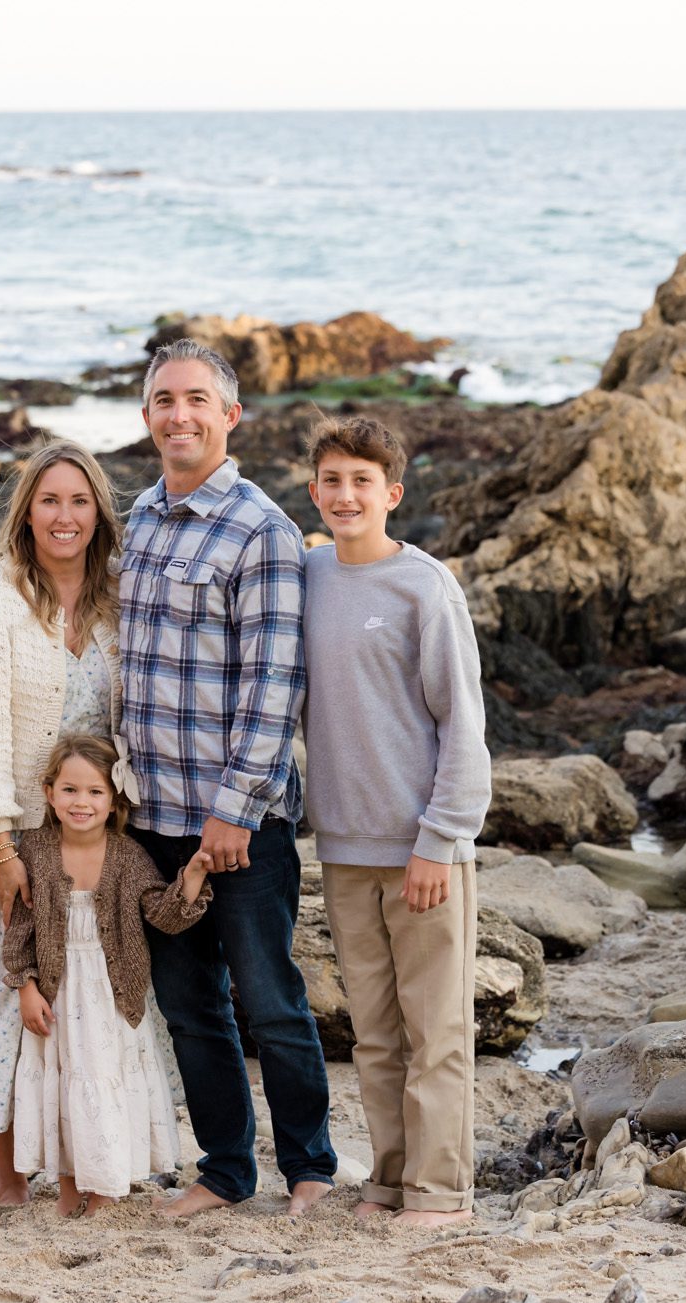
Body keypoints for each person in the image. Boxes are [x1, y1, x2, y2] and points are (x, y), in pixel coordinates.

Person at [119, 337, 337, 1218]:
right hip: (153, 818)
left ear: (230, 414)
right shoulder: (134, 518)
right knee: (190, 1008)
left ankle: (312, 1168)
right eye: (165, 399)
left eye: (197, 399)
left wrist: (234, 812)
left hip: (241, 823)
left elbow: (276, 684)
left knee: (270, 1000)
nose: (181, 414)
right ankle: (225, 1171)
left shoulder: (263, 530)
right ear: (147, 417)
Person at [0, 440, 129, 1206]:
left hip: (90, 840)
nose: (65, 516)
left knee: (83, 1004)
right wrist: (1, 843)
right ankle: (11, 1179)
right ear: (26, 512)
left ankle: (79, 1167)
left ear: (99, 513)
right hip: (1, 841)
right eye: (50, 501)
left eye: (79, 501)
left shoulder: (117, 601)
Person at [302, 415, 492, 1229]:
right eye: (333, 482)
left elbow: (463, 722)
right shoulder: (307, 579)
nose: (346, 496)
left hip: (423, 850)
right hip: (343, 851)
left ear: (393, 494)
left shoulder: (424, 586)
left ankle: (441, 1193)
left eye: (362, 483)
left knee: (436, 1030)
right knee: (374, 1037)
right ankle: (387, 1179)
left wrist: (440, 840)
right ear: (314, 492)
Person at [3, 735, 214, 1215]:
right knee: (63, 1087)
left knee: (101, 1082)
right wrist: (26, 985)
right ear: (49, 792)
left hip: (111, 993)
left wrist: (193, 878)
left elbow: (163, 915)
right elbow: (19, 927)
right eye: (71, 790)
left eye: (95, 792)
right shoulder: (34, 848)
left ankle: (102, 1192)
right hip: (57, 993)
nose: (82, 802)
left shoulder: (127, 855)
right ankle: (68, 1190)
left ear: (115, 798)